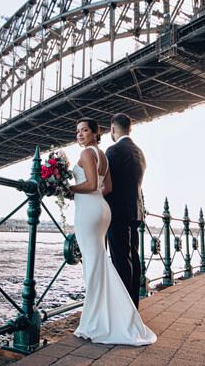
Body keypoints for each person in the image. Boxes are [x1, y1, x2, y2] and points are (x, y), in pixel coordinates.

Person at [69, 117, 156, 345]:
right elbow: (106, 185)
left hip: (103, 211)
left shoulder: (104, 152)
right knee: (126, 260)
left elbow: (93, 185)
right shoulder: (132, 153)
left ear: (107, 131)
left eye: (84, 130)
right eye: (77, 131)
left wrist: (66, 188)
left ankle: (111, 315)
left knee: (105, 262)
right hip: (126, 211)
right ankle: (127, 308)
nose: (79, 134)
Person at [105, 113, 146, 310]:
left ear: (113, 130)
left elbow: (105, 183)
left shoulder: (113, 151)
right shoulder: (139, 152)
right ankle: (133, 307)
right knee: (133, 259)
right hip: (135, 212)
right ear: (131, 128)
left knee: (120, 260)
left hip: (117, 213)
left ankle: (123, 310)